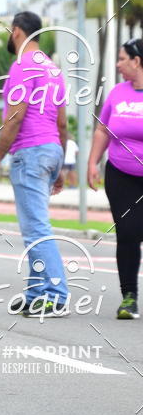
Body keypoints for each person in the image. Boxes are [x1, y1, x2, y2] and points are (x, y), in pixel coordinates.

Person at [0, 11, 68, 317]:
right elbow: (61, 122)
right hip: (51, 149)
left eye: (9, 30)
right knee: (35, 223)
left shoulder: (22, 66)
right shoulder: (53, 69)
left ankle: (56, 295)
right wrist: (59, 166)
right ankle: (36, 293)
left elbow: (15, 117)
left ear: (17, 31)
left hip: (30, 151)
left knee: (35, 228)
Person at [88, 38, 143, 319]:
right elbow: (102, 130)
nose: (118, 64)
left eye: (123, 59)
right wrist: (92, 162)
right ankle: (129, 298)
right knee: (128, 234)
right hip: (120, 174)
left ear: (137, 61)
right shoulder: (118, 94)